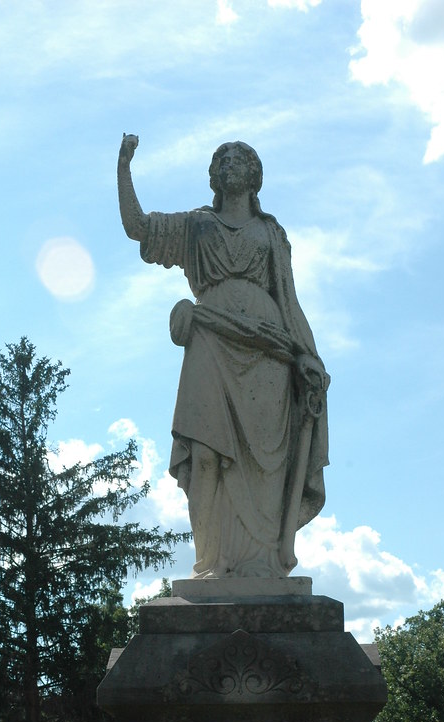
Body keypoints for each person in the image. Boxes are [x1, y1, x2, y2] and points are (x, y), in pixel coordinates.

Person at [117, 134, 329, 579]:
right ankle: (209, 563)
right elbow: (138, 226)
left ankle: (262, 566)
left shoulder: (271, 233)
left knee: (264, 466)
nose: (230, 163)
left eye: (239, 158)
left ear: (254, 175)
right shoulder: (197, 225)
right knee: (205, 455)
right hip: (209, 341)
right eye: (222, 159)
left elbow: (288, 299)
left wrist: (307, 355)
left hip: (267, 349)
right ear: (213, 175)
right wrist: (124, 169)